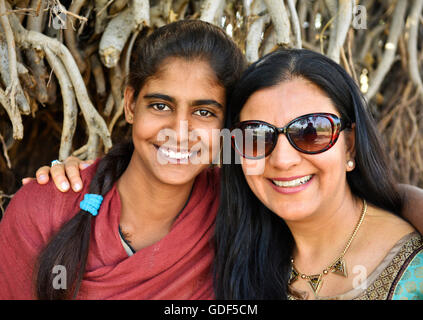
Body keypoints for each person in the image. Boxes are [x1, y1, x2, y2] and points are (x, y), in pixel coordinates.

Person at [0, 20, 246, 299]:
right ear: (130, 105)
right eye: (160, 106)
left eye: (203, 112)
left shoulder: (240, 209)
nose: (179, 132)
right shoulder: (45, 209)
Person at [213, 48, 423, 300]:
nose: (282, 160)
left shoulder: (415, 272)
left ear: (350, 144)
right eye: (256, 136)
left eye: (311, 132)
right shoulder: (240, 255)